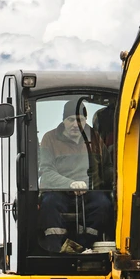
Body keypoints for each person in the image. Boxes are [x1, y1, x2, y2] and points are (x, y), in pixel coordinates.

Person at [39, 99, 113, 253]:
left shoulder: (96, 139)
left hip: (89, 193)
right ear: (64, 120)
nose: (75, 124)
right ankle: (55, 250)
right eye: (71, 120)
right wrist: (69, 183)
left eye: (80, 120)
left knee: (103, 204)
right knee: (48, 203)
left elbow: (107, 168)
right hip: (59, 192)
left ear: (85, 120)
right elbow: (46, 171)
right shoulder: (49, 139)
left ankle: (82, 246)